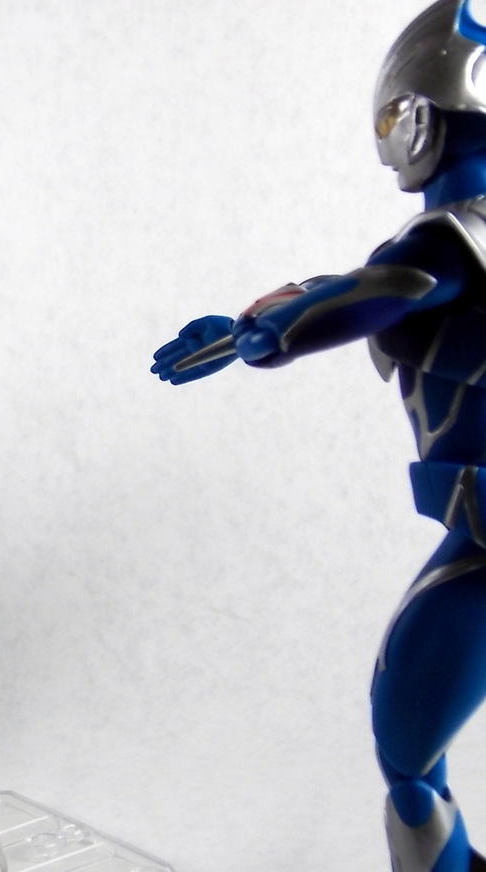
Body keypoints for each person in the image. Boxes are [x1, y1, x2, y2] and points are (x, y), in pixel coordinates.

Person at [152, 3, 486, 869]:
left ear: (423, 116)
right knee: (408, 755)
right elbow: (372, 283)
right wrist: (254, 322)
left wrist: (277, 333)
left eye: (391, 120)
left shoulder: (451, 240)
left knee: (408, 764)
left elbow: (394, 287)